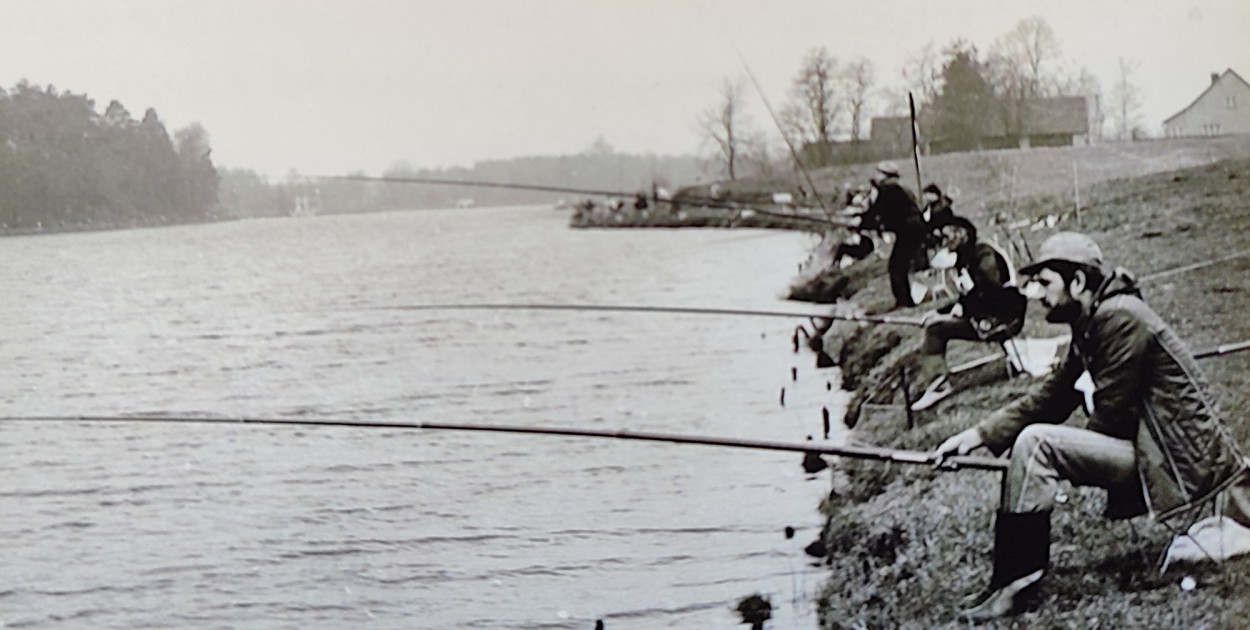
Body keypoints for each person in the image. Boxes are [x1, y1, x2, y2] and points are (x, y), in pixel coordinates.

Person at [932, 232, 1250, 621]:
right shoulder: (1093, 319)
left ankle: (1016, 586)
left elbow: (1112, 417)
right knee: (1039, 442)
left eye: (1046, 283)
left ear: (1078, 282)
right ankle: (1007, 581)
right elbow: (1052, 397)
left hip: (1179, 462)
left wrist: (1070, 459)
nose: (1037, 294)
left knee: (1038, 444)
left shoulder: (1119, 316)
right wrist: (976, 436)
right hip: (1157, 450)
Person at [910, 216, 1026, 411]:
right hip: (988, 315)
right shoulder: (965, 257)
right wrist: (938, 311)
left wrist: (965, 307)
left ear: (961, 234)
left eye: (947, 237)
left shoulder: (983, 254)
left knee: (936, 330)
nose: (944, 244)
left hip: (1004, 318)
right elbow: (968, 297)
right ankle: (935, 381)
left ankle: (939, 386)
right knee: (935, 323)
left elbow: (993, 296)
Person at [849, 162, 928, 309]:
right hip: (915, 228)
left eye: (879, 173)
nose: (876, 176)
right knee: (900, 266)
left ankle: (904, 302)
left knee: (896, 266)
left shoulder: (887, 189)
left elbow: (877, 212)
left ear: (885, 175)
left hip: (909, 229)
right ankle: (904, 300)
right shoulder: (901, 189)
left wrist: (860, 224)